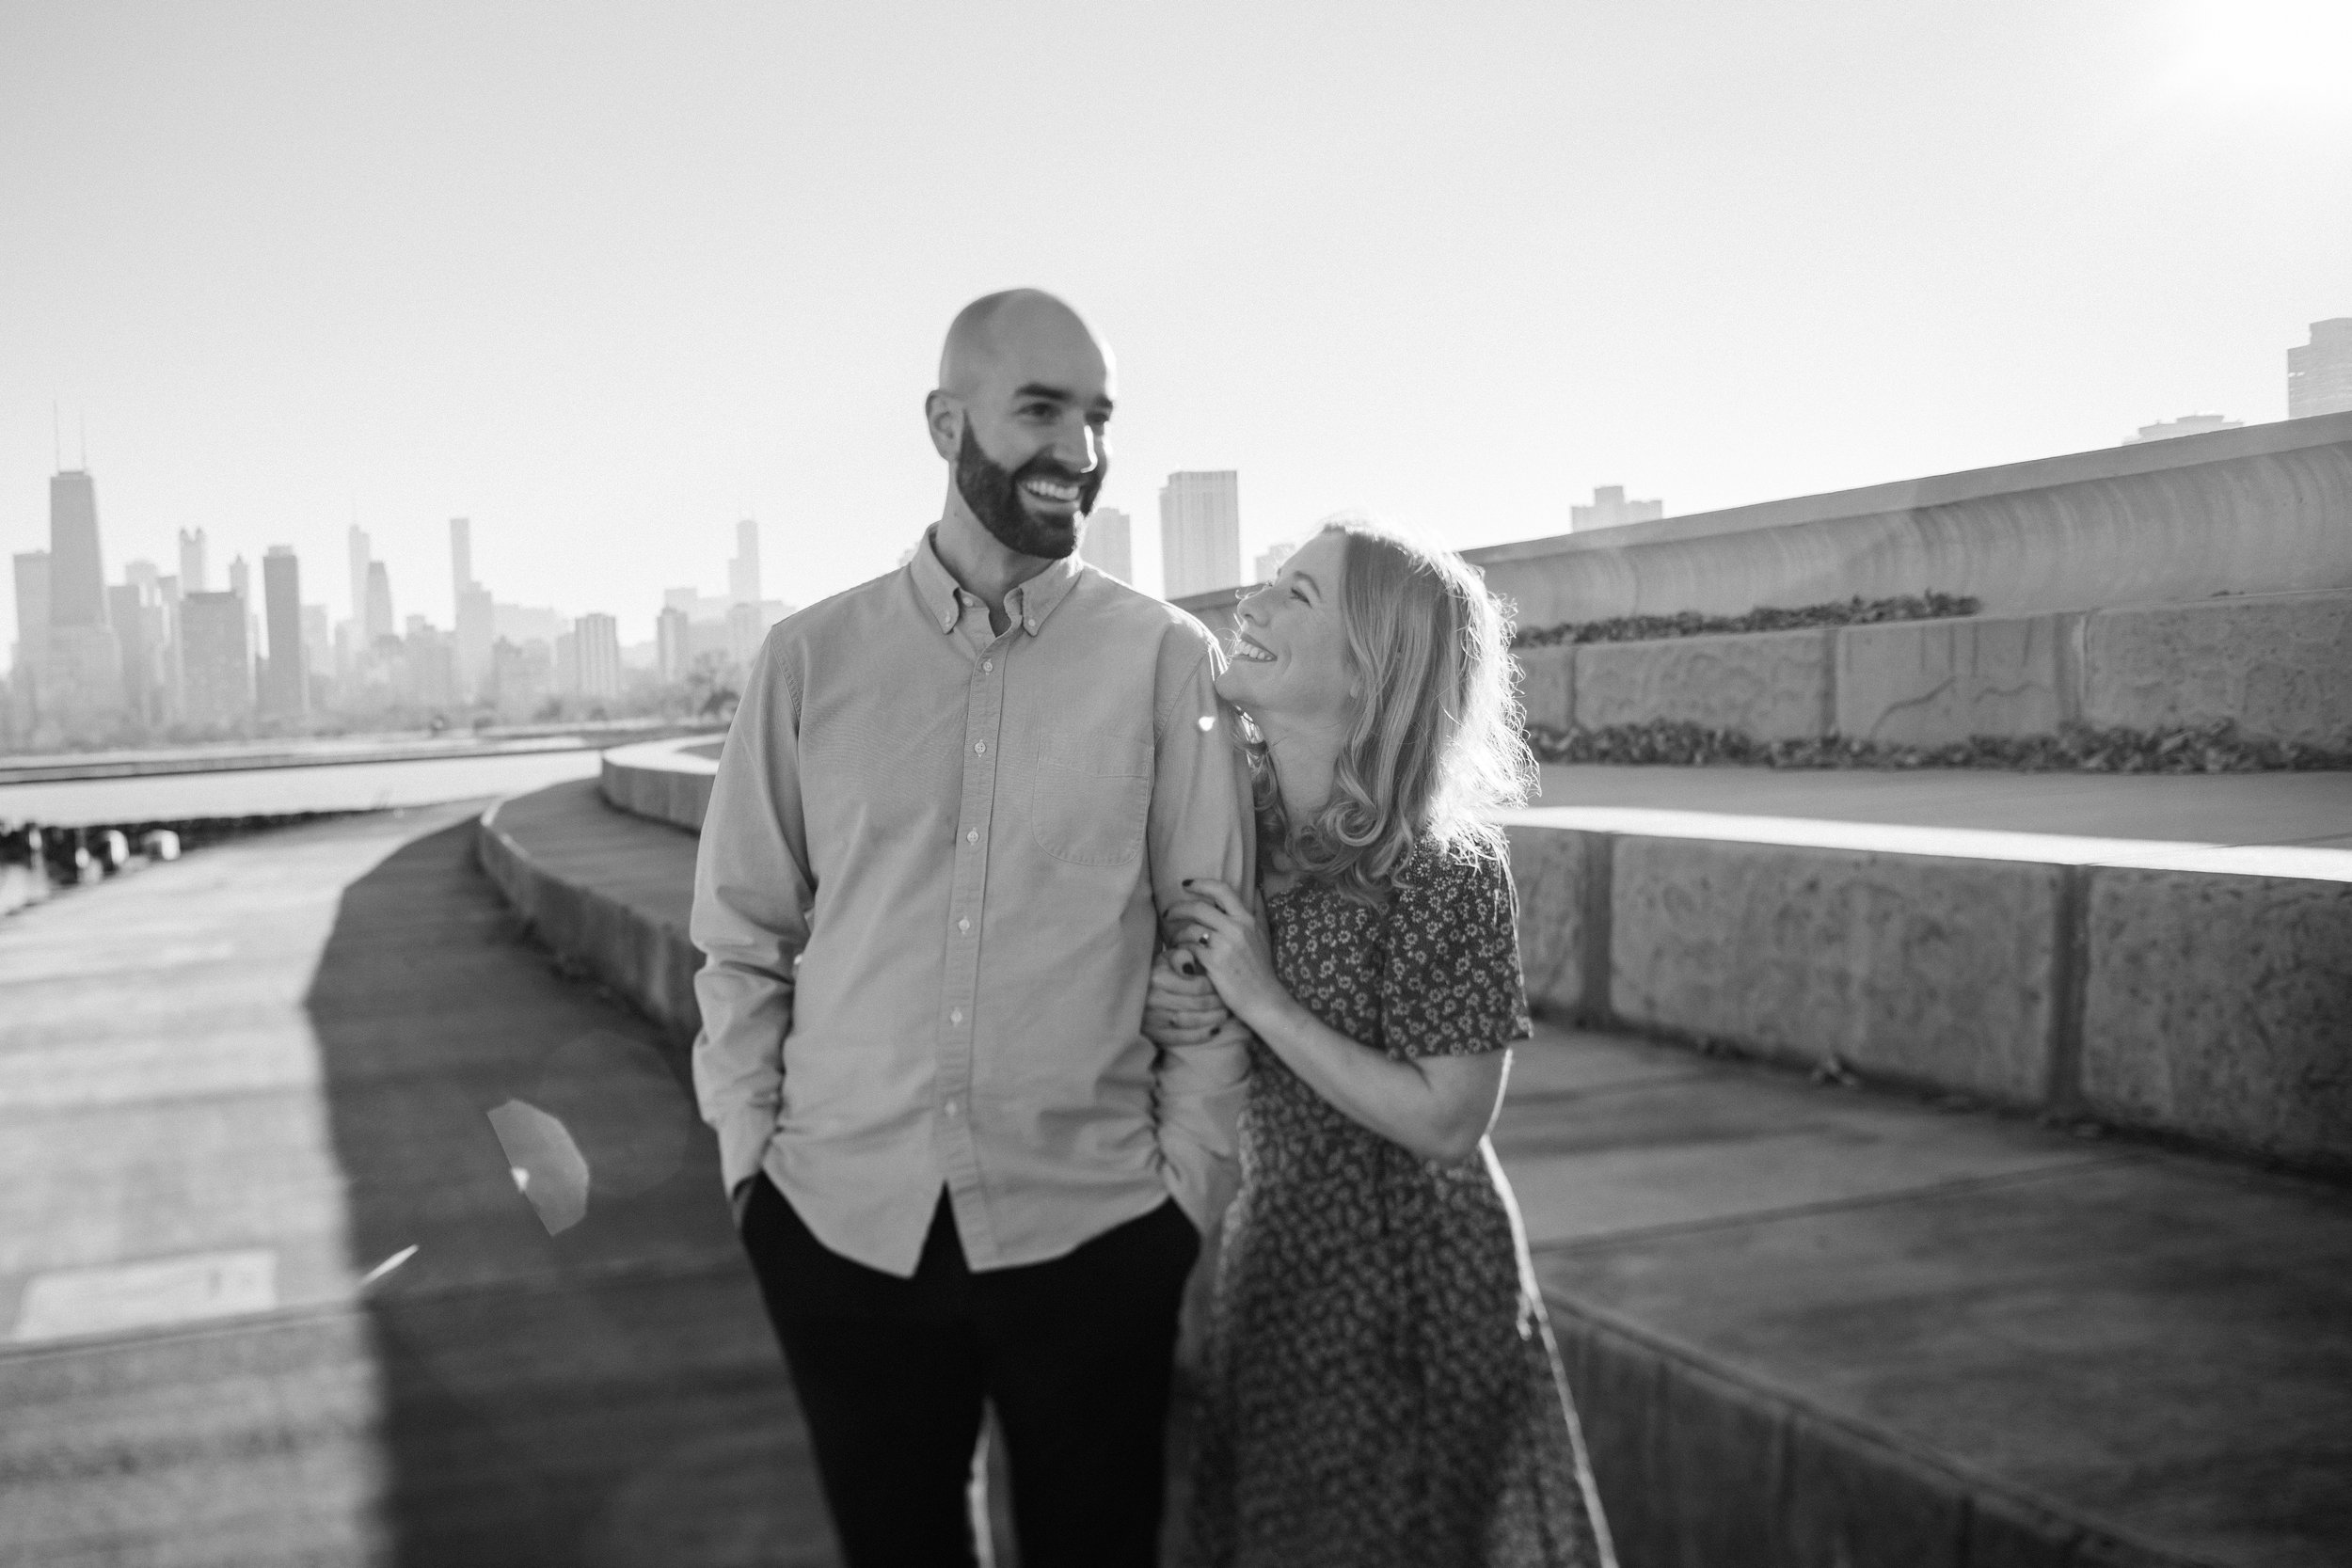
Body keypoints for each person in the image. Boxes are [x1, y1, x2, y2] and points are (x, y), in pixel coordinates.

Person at [690, 288, 1255, 1567]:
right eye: (1041, 408)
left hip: (1097, 1231)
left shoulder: (1166, 664)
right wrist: (751, 1173)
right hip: (841, 1228)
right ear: (945, 422)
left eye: (1100, 416)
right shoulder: (807, 661)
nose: (1083, 450)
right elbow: (739, 937)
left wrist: (1187, 1198)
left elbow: (1209, 938)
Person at [1150, 518, 1617, 1567]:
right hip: (1272, 1252)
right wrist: (1169, 997)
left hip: (1410, 1275)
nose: (1250, 605)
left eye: (1297, 595)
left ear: (1370, 673)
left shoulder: (1444, 866)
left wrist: (1263, 1001)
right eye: (1267, 581)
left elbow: (1449, 1119)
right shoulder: (1233, 817)